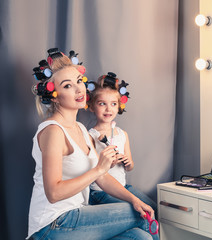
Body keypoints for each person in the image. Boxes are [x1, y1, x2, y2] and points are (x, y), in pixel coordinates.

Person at [27, 48, 155, 240]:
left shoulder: (80, 129)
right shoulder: (53, 131)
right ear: (55, 95)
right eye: (68, 86)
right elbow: (53, 192)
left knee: (140, 236)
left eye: (79, 81)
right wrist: (98, 170)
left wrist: (134, 199)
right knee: (142, 217)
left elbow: (102, 179)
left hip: (77, 215)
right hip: (52, 224)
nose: (79, 90)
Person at [86, 72, 157, 214]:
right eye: (102, 104)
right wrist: (107, 164)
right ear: (92, 106)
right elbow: (91, 171)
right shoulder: (89, 136)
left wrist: (127, 162)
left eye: (113, 104)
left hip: (123, 187)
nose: (108, 109)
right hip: (100, 192)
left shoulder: (122, 134)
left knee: (152, 208)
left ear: (119, 106)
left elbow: (130, 166)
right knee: (137, 212)